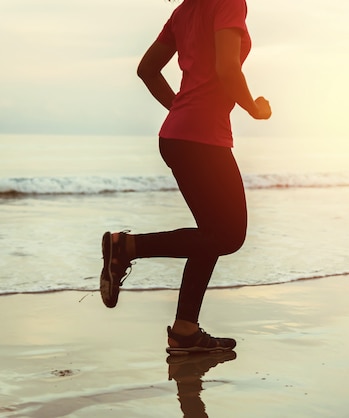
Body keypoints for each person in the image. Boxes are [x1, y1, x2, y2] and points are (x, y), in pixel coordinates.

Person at [99, 0, 271, 355]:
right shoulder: (228, 3)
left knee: (210, 235)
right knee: (230, 235)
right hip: (202, 140)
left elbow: (147, 70)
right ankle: (127, 246)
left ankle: (184, 331)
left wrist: (180, 108)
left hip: (179, 136)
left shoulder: (184, 12)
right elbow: (227, 68)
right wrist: (253, 107)